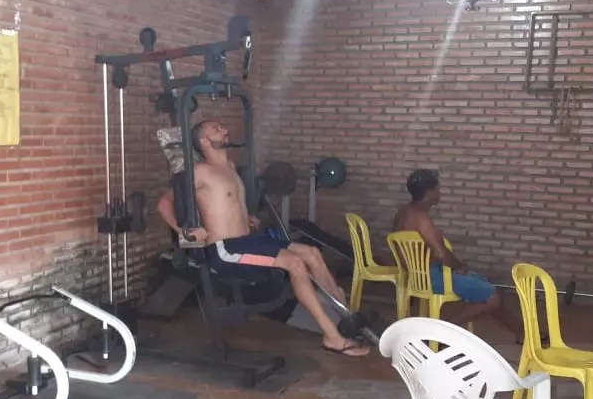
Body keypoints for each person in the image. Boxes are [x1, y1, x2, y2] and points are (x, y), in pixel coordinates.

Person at [157, 120, 369, 357]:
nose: (225, 130)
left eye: (223, 127)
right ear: (204, 141)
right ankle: (333, 337)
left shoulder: (230, 167)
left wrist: (247, 217)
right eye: (217, 129)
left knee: (312, 253)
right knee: (295, 263)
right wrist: (183, 230)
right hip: (226, 250)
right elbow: (165, 202)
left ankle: (347, 317)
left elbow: (227, 205)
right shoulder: (199, 171)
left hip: (248, 241)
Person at [391, 169, 528, 343]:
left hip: (415, 275)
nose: (439, 192)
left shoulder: (403, 212)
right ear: (430, 192)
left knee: (487, 288)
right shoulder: (422, 219)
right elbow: (441, 253)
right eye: (437, 188)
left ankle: (521, 332)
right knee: (494, 296)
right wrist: (459, 266)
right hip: (432, 277)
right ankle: (444, 329)